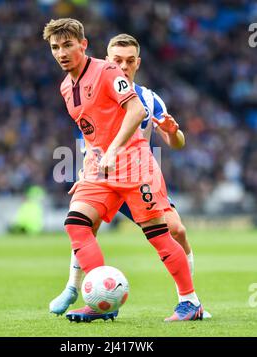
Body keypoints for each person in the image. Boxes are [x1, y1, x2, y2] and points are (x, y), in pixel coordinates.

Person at [43, 18, 204, 322]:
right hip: (101, 169)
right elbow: (91, 134)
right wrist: (85, 170)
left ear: (84, 45)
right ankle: (99, 301)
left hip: (134, 164)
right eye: (55, 47)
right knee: (77, 224)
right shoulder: (66, 87)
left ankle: (190, 302)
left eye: (68, 45)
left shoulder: (106, 71)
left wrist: (114, 150)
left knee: (161, 234)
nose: (62, 52)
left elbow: (137, 111)